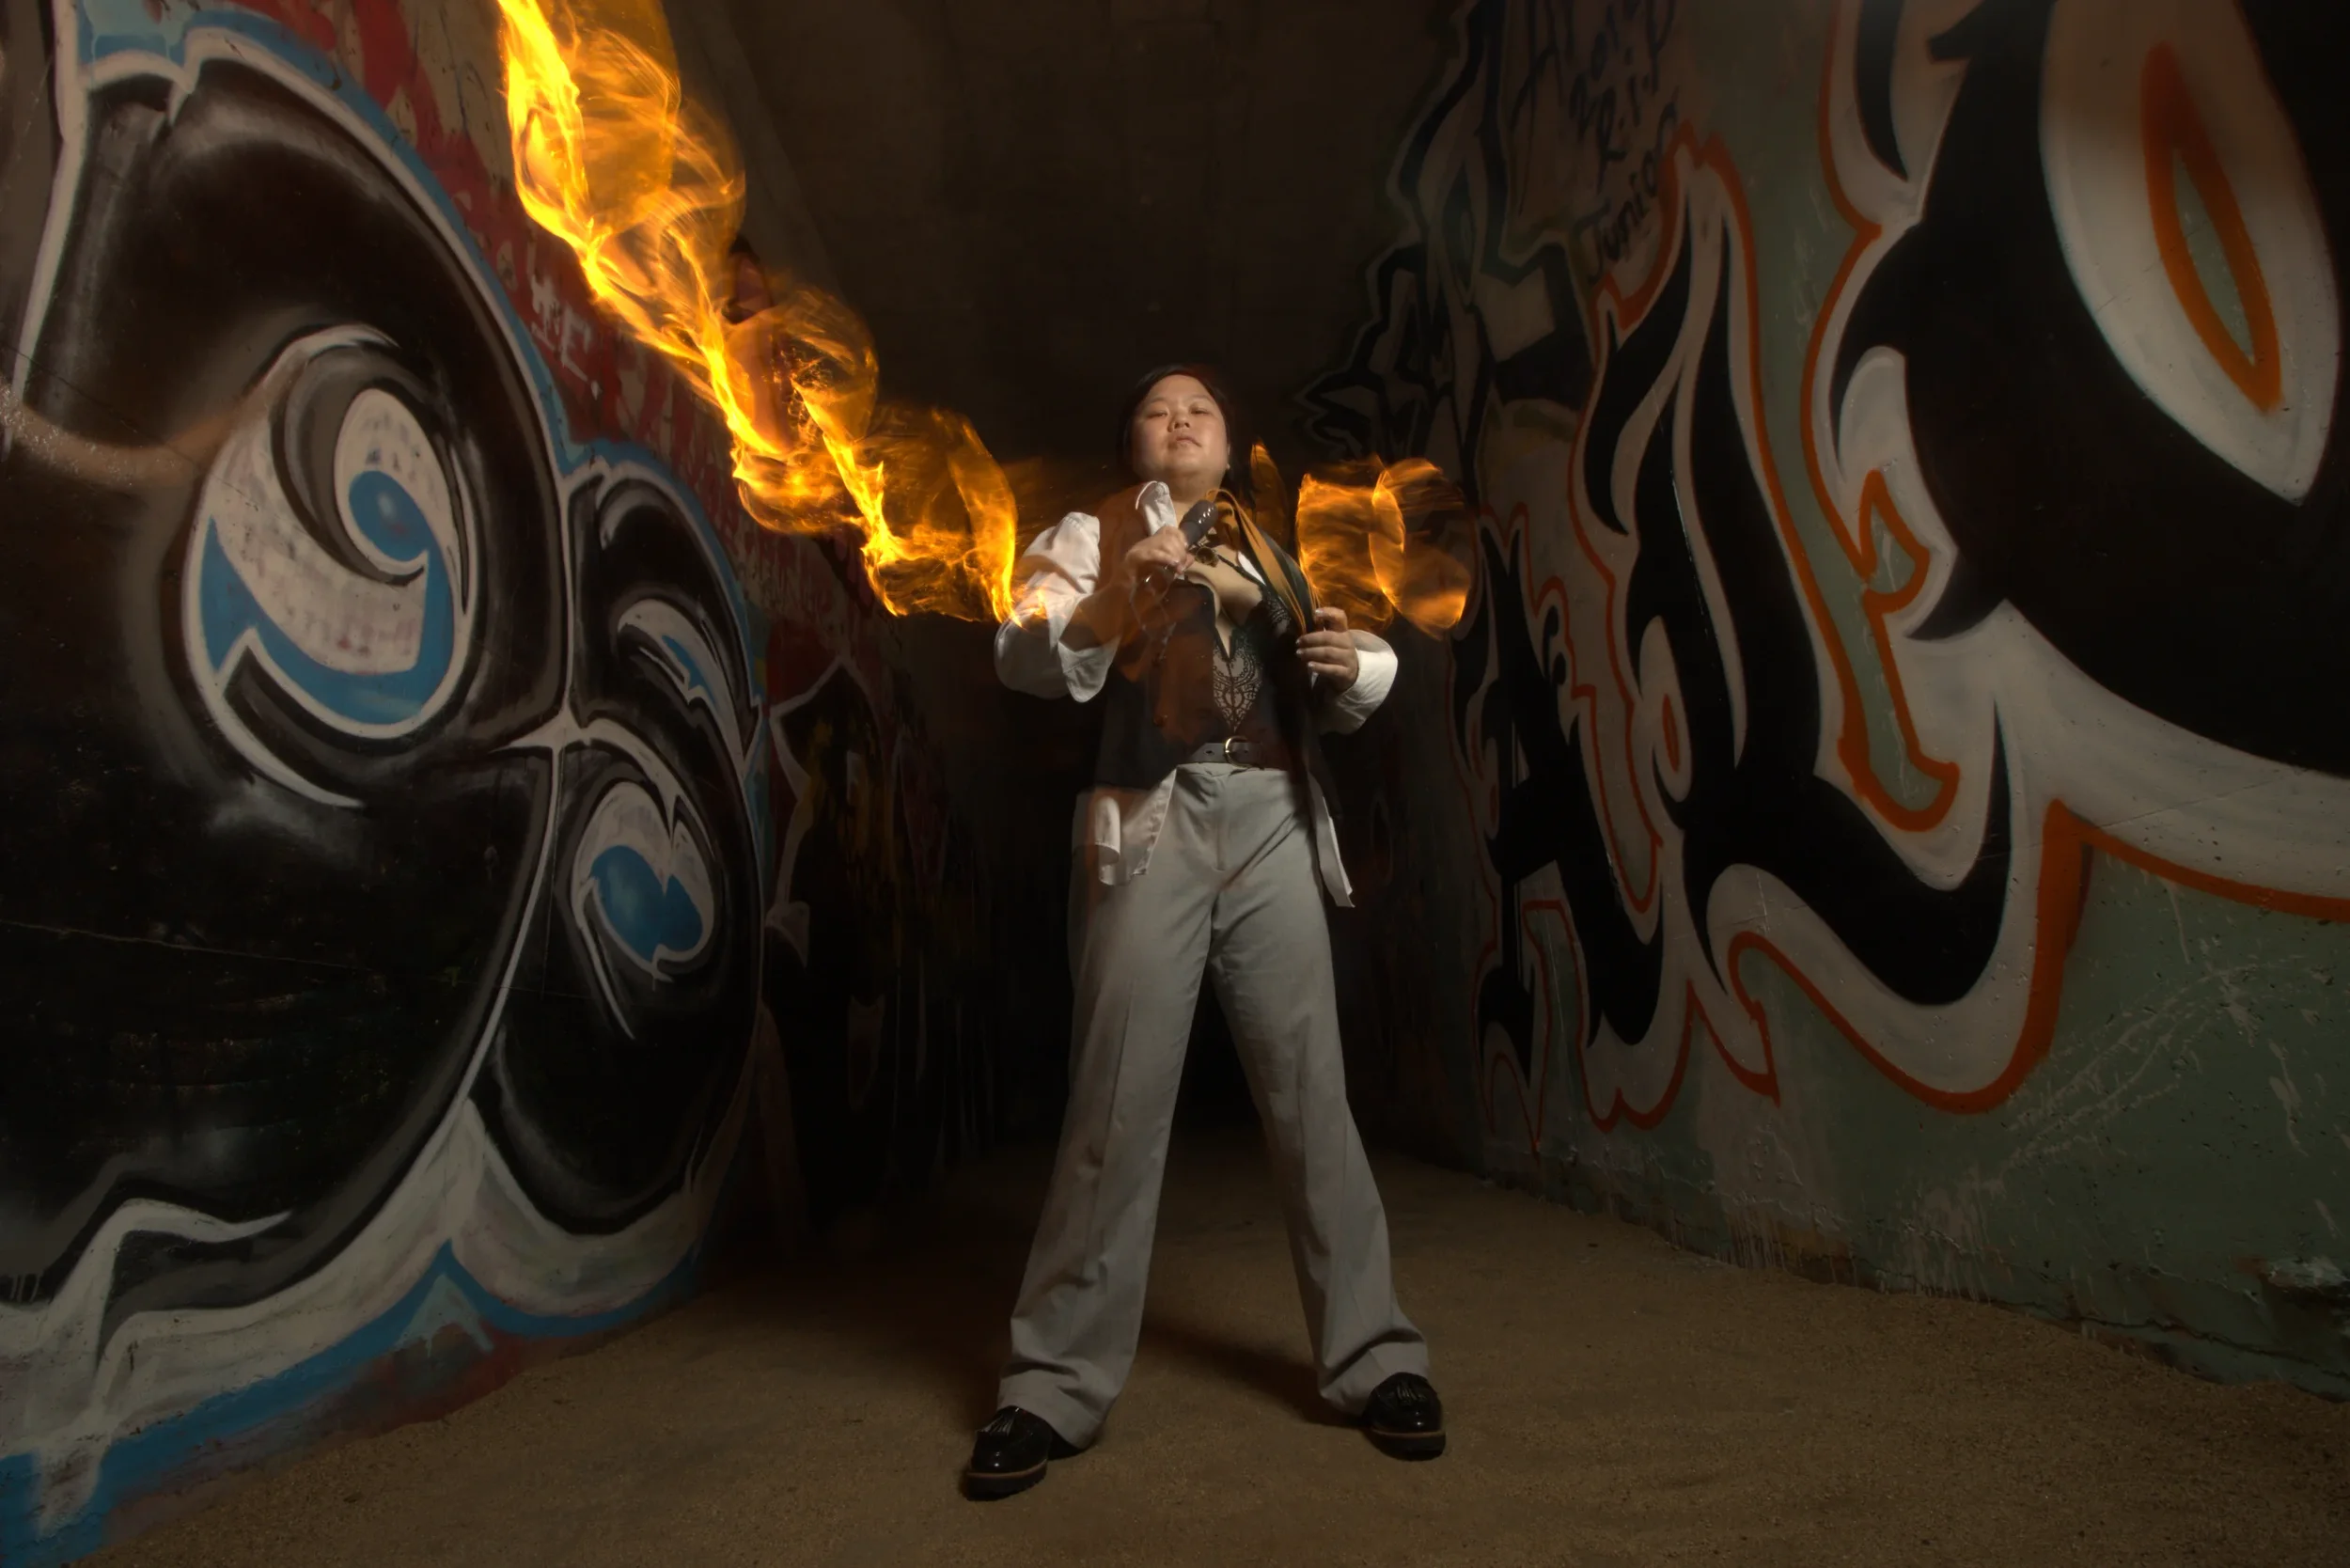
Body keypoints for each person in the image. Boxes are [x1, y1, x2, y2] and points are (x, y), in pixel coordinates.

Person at [967, 365, 1442, 1499]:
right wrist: (1101, 601)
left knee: (1309, 1093)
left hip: (1274, 814)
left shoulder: (1273, 545)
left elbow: (1359, 654)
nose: (1179, 421)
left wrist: (1350, 659)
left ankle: (1376, 1359)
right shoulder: (1088, 533)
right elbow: (1022, 650)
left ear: (1229, 449)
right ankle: (1050, 1387)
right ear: (1134, 444)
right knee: (1115, 1101)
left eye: (1202, 411)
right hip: (1152, 819)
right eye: (1155, 410)